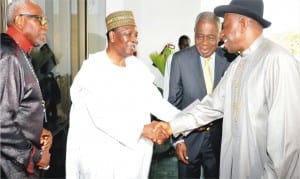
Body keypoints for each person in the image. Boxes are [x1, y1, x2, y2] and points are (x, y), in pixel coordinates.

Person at [157, 0, 300, 178]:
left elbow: (286, 147)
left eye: (225, 26)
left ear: (243, 23)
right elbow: (210, 106)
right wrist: (171, 126)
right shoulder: (237, 65)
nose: (221, 34)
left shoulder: (277, 61)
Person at [65, 10, 179, 179]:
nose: (135, 39)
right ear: (112, 36)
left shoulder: (137, 68)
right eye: (128, 34)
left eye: (136, 34)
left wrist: (184, 119)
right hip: (101, 162)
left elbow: (156, 102)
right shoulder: (93, 69)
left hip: (135, 162)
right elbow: (103, 117)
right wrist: (143, 130)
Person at [168, 12, 231, 179]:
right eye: (199, 36)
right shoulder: (179, 60)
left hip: (220, 141)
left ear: (220, 35)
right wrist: (178, 140)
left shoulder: (230, 60)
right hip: (188, 139)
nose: (203, 43)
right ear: (194, 32)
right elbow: (173, 103)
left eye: (210, 37)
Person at [0, 0, 53, 178]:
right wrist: (35, 157)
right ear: (20, 20)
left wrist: (38, 130)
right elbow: (2, 123)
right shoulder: (9, 55)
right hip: (11, 168)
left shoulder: (20, 53)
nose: (45, 27)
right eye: (40, 20)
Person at [163, 35, 191, 99]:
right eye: (183, 45)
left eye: (187, 45)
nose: (185, 47)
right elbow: (168, 78)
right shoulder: (171, 58)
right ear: (179, 45)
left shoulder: (191, 58)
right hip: (175, 94)